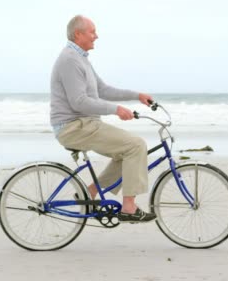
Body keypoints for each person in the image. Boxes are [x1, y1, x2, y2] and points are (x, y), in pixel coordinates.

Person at [50, 15, 156, 222]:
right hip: (74, 126)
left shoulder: (80, 59)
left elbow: (103, 90)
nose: (96, 36)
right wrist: (116, 109)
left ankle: (89, 192)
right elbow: (79, 102)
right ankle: (129, 207)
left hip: (84, 124)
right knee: (136, 146)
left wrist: (137, 96)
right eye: (92, 31)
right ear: (78, 34)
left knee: (125, 152)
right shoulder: (69, 60)